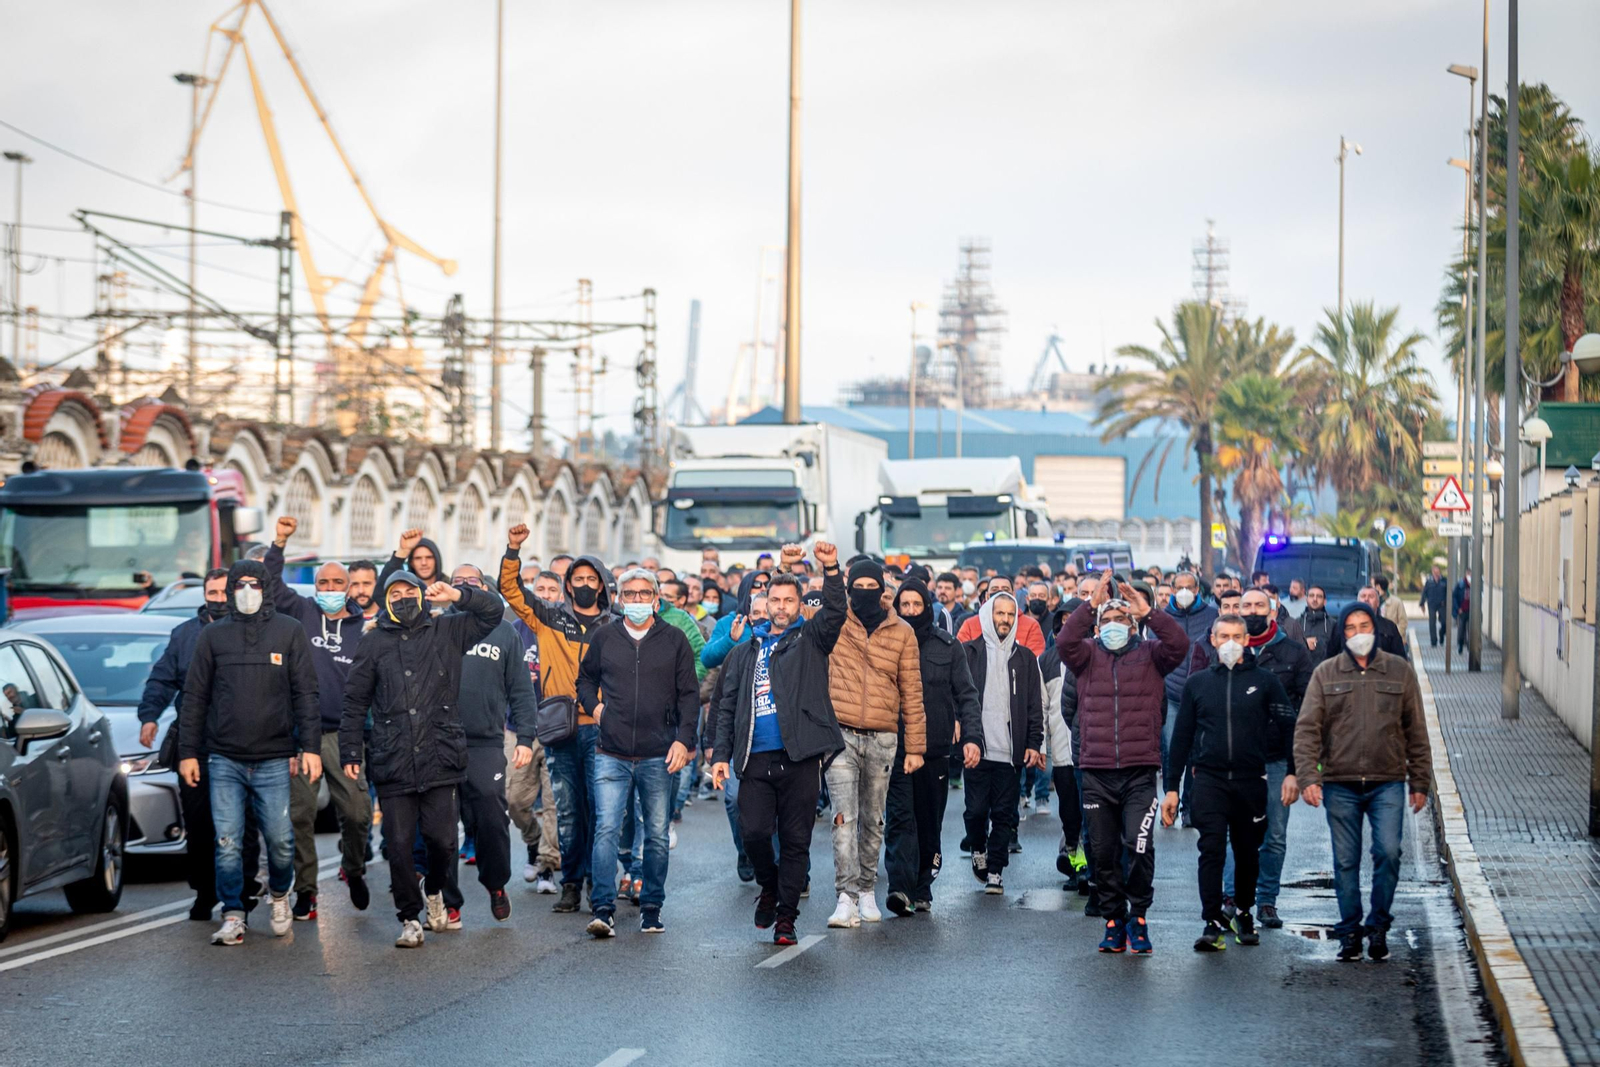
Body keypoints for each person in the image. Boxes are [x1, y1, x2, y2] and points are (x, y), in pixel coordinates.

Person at [339, 571, 502, 948]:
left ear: (422, 594)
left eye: (408, 591)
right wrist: (350, 750)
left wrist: (458, 594)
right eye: (394, 593)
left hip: (440, 753)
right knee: (397, 844)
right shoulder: (374, 641)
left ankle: (435, 889)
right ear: (386, 600)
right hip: (392, 755)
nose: (402, 598)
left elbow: (492, 612)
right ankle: (409, 917)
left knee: (443, 841)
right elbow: (355, 700)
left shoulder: (447, 630)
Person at [177, 560, 321, 947]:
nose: (246, 591)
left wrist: (310, 747)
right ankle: (233, 913)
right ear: (228, 591)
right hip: (224, 757)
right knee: (227, 841)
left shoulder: (289, 632)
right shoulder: (213, 636)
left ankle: (278, 896)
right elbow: (195, 698)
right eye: (239, 584)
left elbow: (305, 694)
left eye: (254, 584)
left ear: (266, 588)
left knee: (280, 840)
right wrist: (188, 753)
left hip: (275, 757)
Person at [710, 542, 845, 947]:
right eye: (775, 599)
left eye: (790, 600)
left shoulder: (810, 640)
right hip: (755, 758)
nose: (782, 606)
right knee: (752, 834)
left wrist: (831, 567)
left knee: (795, 842)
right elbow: (726, 706)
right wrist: (719, 756)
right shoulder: (745, 651)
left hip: (799, 757)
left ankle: (786, 919)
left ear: (800, 605)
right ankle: (768, 887)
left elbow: (836, 612)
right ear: (764, 603)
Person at [1294, 601, 1432, 961]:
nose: (1358, 634)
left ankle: (1379, 925)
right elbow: (1307, 729)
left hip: (1387, 781)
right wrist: (1309, 775)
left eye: (1364, 626)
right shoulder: (1326, 674)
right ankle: (1350, 931)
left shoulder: (1398, 672)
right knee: (1345, 861)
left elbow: (1416, 730)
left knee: (1387, 852)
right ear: (1343, 634)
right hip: (1340, 782)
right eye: (1350, 628)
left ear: (1376, 629)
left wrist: (1420, 781)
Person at [1059, 578, 1189, 954]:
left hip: (1138, 771)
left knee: (1138, 844)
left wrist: (1150, 612)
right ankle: (1114, 920)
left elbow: (1179, 644)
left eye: (1123, 618)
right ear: (1098, 627)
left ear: (1133, 625)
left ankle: (1139, 917)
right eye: (1109, 618)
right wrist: (1090, 605)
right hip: (1096, 771)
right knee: (1102, 851)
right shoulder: (1085, 655)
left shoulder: (1151, 654)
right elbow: (1065, 642)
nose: (1116, 623)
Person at [574, 569, 699, 937]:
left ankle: (652, 908)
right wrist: (595, 709)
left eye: (645, 594)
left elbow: (690, 695)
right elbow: (585, 680)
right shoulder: (604, 637)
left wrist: (684, 740)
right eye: (631, 593)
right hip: (610, 751)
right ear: (619, 599)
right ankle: (602, 908)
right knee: (607, 829)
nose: (638, 600)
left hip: (659, 753)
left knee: (657, 833)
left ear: (657, 600)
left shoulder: (674, 640)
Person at [499, 525, 613, 915]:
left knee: (600, 811)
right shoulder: (548, 617)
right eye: (577, 579)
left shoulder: (613, 626)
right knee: (565, 812)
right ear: (567, 584)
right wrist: (514, 549)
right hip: (559, 729)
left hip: (602, 730)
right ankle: (570, 884)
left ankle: (600, 886)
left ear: (601, 585)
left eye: (590, 579)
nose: (583, 584)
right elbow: (511, 592)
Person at [1163, 614, 1294, 952]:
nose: (1231, 642)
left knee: (1248, 853)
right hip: (1209, 780)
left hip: (1251, 781)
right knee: (1211, 850)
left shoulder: (1265, 681)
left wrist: (1294, 771)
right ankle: (1211, 921)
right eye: (1224, 636)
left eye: (1238, 635)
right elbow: (1181, 738)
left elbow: (1289, 725)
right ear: (1213, 639)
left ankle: (1244, 912)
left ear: (1248, 640)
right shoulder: (1198, 683)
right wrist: (1172, 788)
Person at [137, 568, 260, 920]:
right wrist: (149, 715)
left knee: (243, 822)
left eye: (225, 592)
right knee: (200, 821)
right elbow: (161, 679)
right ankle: (205, 891)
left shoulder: (249, 632)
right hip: (196, 744)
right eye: (213, 592)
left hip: (240, 742)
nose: (218, 599)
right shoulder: (184, 635)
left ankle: (244, 887)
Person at [265, 517, 372, 920]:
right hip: (303, 735)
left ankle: (354, 867)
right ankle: (306, 891)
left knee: (358, 813)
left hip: (346, 736)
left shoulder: (364, 627)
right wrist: (280, 542)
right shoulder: (302, 612)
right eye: (323, 584)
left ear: (349, 588)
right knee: (300, 816)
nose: (329, 590)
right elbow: (272, 584)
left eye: (336, 584)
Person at [823, 556, 926, 928]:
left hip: (884, 738)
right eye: (858, 587)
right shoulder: (836, 622)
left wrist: (915, 748)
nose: (865, 594)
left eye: (872, 587)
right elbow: (813, 601)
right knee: (842, 818)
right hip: (841, 735)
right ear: (849, 589)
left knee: (874, 819)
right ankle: (845, 895)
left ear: (883, 590)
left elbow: (912, 692)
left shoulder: (902, 632)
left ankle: (867, 887)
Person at [440, 564, 538, 925]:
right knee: (442, 827)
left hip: (485, 743)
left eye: (472, 581)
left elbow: (521, 690)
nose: (464, 586)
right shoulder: (437, 626)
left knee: (492, 818)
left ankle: (496, 884)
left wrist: (525, 737)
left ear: (485, 588)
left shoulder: (505, 632)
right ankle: (449, 901)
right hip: (439, 742)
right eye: (457, 581)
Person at [884, 578, 980, 916]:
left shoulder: (948, 646)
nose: (910, 611)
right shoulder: (885, 643)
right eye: (904, 605)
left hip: (935, 748)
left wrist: (972, 737)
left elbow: (966, 695)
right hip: (894, 745)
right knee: (899, 818)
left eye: (916, 605)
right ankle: (900, 887)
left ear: (927, 606)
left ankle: (923, 885)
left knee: (928, 821)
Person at [1228, 589, 1314, 928]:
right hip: (1235, 760)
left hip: (1278, 758)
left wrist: (1300, 768)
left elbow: (1307, 710)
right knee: (1234, 834)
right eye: (1245, 605)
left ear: (1272, 610)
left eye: (1258, 605)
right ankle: (1231, 898)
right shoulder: (1228, 650)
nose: (1251, 610)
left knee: (1274, 835)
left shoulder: (1293, 653)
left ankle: (1266, 901)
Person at [960, 593, 1044, 895]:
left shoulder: (1025, 659)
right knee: (976, 811)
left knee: (1004, 814)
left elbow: (1035, 706)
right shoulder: (969, 653)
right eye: (1000, 613)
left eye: (1011, 614)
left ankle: (995, 869)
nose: (1005, 619)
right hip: (977, 751)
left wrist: (1035, 743)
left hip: (1011, 754)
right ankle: (978, 847)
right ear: (987, 615)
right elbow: (958, 696)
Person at [1161, 572, 1217, 827]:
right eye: (1179, 587)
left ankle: (1189, 807)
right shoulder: (1163, 618)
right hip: (1172, 694)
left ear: (1197, 590)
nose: (1184, 591)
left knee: (1196, 751)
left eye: (1189, 587)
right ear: (1172, 589)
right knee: (1173, 750)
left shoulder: (1211, 615)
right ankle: (1169, 800)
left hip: (1200, 694)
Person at [956, 576, 1045, 655]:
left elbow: (1033, 661)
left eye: (1005, 590)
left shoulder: (1031, 625)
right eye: (995, 590)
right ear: (987, 596)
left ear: (1013, 595)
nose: (1000, 593)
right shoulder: (970, 625)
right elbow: (961, 657)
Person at [1356, 586, 1409, 659]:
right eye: (1363, 596)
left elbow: (1400, 659)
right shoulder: (1347, 626)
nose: (1366, 599)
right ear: (1357, 601)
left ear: (1378, 603)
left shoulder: (1389, 627)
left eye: (1371, 596)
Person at [1299, 585, 1336, 664]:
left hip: (1325, 672)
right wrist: (1304, 643)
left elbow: (1338, 650)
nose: (1315, 599)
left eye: (1319, 596)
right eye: (1311, 596)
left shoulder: (1333, 624)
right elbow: (1290, 649)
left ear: (1324, 601)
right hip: (1302, 672)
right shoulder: (1296, 623)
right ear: (1306, 599)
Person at [1420, 565, 1448, 647]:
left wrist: (1446, 601)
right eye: (1434, 572)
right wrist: (1422, 604)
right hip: (1431, 604)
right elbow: (1424, 593)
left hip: (1442, 604)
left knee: (1444, 622)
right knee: (1432, 623)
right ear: (1432, 572)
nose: (1436, 574)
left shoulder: (1445, 580)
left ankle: (1441, 634)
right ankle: (1433, 641)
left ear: (1439, 572)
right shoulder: (1429, 581)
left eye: (1437, 572)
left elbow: (1448, 593)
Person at [1451, 571, 1472, 655]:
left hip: (1471, 611)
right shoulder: (1460, 584)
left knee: (1471, 629)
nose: (1469, 576)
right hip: (1462, 610)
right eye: (1468, 574)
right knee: (1461, 629)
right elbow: (1454, 596)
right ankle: (1460, 645)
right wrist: (1458, 608)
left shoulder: (1475, 585)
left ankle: (1470, 645)